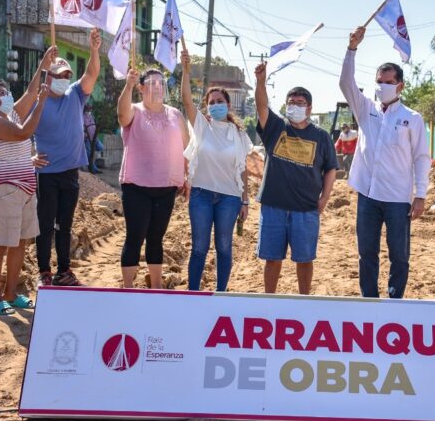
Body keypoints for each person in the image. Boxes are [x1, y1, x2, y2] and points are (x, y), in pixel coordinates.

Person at [341, 27, 431, 299]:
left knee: (399, 255)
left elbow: (421, 158)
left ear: (400, 86)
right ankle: (369, 299)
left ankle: (395, 299)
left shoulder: (412, 118)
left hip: (397, 198)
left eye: (388, 82)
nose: (382, 86)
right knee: (366, 252)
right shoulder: (365, 109)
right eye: (379, 81)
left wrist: (421, 196)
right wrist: (352, 49)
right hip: (367, 196)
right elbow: (346, 82)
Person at [0, 46, 55, 315]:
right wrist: (42, 103)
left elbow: (31, 93)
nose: (8, 96)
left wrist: (43, 64)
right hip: (3, 189)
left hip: (25, 190)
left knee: (20, 243)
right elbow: (22, 134)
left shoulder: (12, 114)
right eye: (2, 94)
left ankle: (11, 293)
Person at [254, 60, 337, 295]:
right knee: (272, 259)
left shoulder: (321, 136)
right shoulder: (275, 128)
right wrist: (261, 82)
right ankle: (269, 299)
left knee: (304, 259)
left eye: (300, 103)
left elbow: (331, 168)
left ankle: (304, 299)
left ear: (309, 108)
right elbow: (261, 107)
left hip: (306, 208)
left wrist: (324, 199)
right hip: (273, 206)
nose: (295, 106)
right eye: (291, 103)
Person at [33, 28, 101, 287]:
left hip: (70, 174)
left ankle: (64, 270)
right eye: (59, 75)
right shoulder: (38, 101)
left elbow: (92, 73)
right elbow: (21, 130)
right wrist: (30, 156)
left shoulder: (74, 94)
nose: (65, 79)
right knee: (45, 225)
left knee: (65, 225)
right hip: (47, 175)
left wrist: (94, 50)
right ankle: (44, 271)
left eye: (67, 75)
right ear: (48, 77)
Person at [181, 50, 253, 292]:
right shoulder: (201, 126)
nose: (215, 105)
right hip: (201, 195)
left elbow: (242, 169)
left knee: (224, 247)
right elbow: (187, 101)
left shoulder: (238, 133)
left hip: (229, 199)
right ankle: (193, 292)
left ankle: (221, 293)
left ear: (228, 104)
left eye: (219, 101)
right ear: (207, 107)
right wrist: (187, 71)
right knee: (199, 247)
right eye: (211, 102)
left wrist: (245, 201)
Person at [117, 67, 189, 289]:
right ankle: (128, 287)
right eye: (152, 82)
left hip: (166, 188)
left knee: (156, 238)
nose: (157, 87)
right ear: (141, 87)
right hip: (136, 186)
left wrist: (187, 176)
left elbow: (186, 148)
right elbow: (121, 115)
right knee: (135, 237)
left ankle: (155, 287)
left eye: (161, 82)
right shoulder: (134, 111)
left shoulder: (175, 114)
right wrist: (127, 85)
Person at [83, 103, 103, 174]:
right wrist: (86, 135)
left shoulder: (91, 116)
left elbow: (93, 126)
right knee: (89, 154)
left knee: (101, 147)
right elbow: (83, 128)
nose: (89, 110)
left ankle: (93, 164)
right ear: (85, 109)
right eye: (88, 109)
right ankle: (94, 169)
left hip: (94, 137)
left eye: (90, 108)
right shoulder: (82, 117)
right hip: (87, 139)